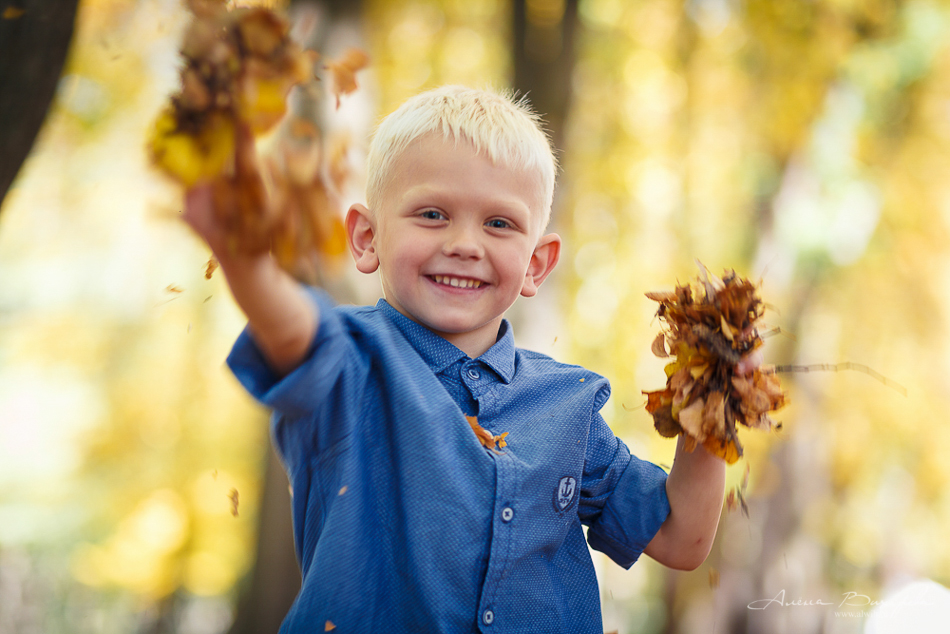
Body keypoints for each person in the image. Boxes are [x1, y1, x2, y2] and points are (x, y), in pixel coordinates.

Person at [184, 85, 727, 633]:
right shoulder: (351, 364)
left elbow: (681, 537)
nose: (466, 243)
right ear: (368, 238)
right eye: (433, 214)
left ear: (537, 264)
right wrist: (244, 253)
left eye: (499, 224)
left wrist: (714, 397)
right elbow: (292, 329)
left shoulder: (569, 404)